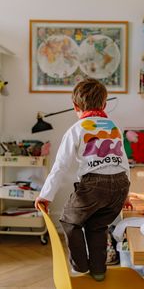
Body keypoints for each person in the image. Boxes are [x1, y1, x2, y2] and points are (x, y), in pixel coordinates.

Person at [35, 78, 131, 281]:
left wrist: (45, 196)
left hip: (95, 185)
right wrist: (126, 195)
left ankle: (80, 268)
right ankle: (98, 271)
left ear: (75, 106)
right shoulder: (114, 126)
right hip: (120, 185)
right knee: (97, 227)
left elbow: (60, 166)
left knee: (69, 221)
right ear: (104, 105)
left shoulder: (77, 129)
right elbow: (124, 161)